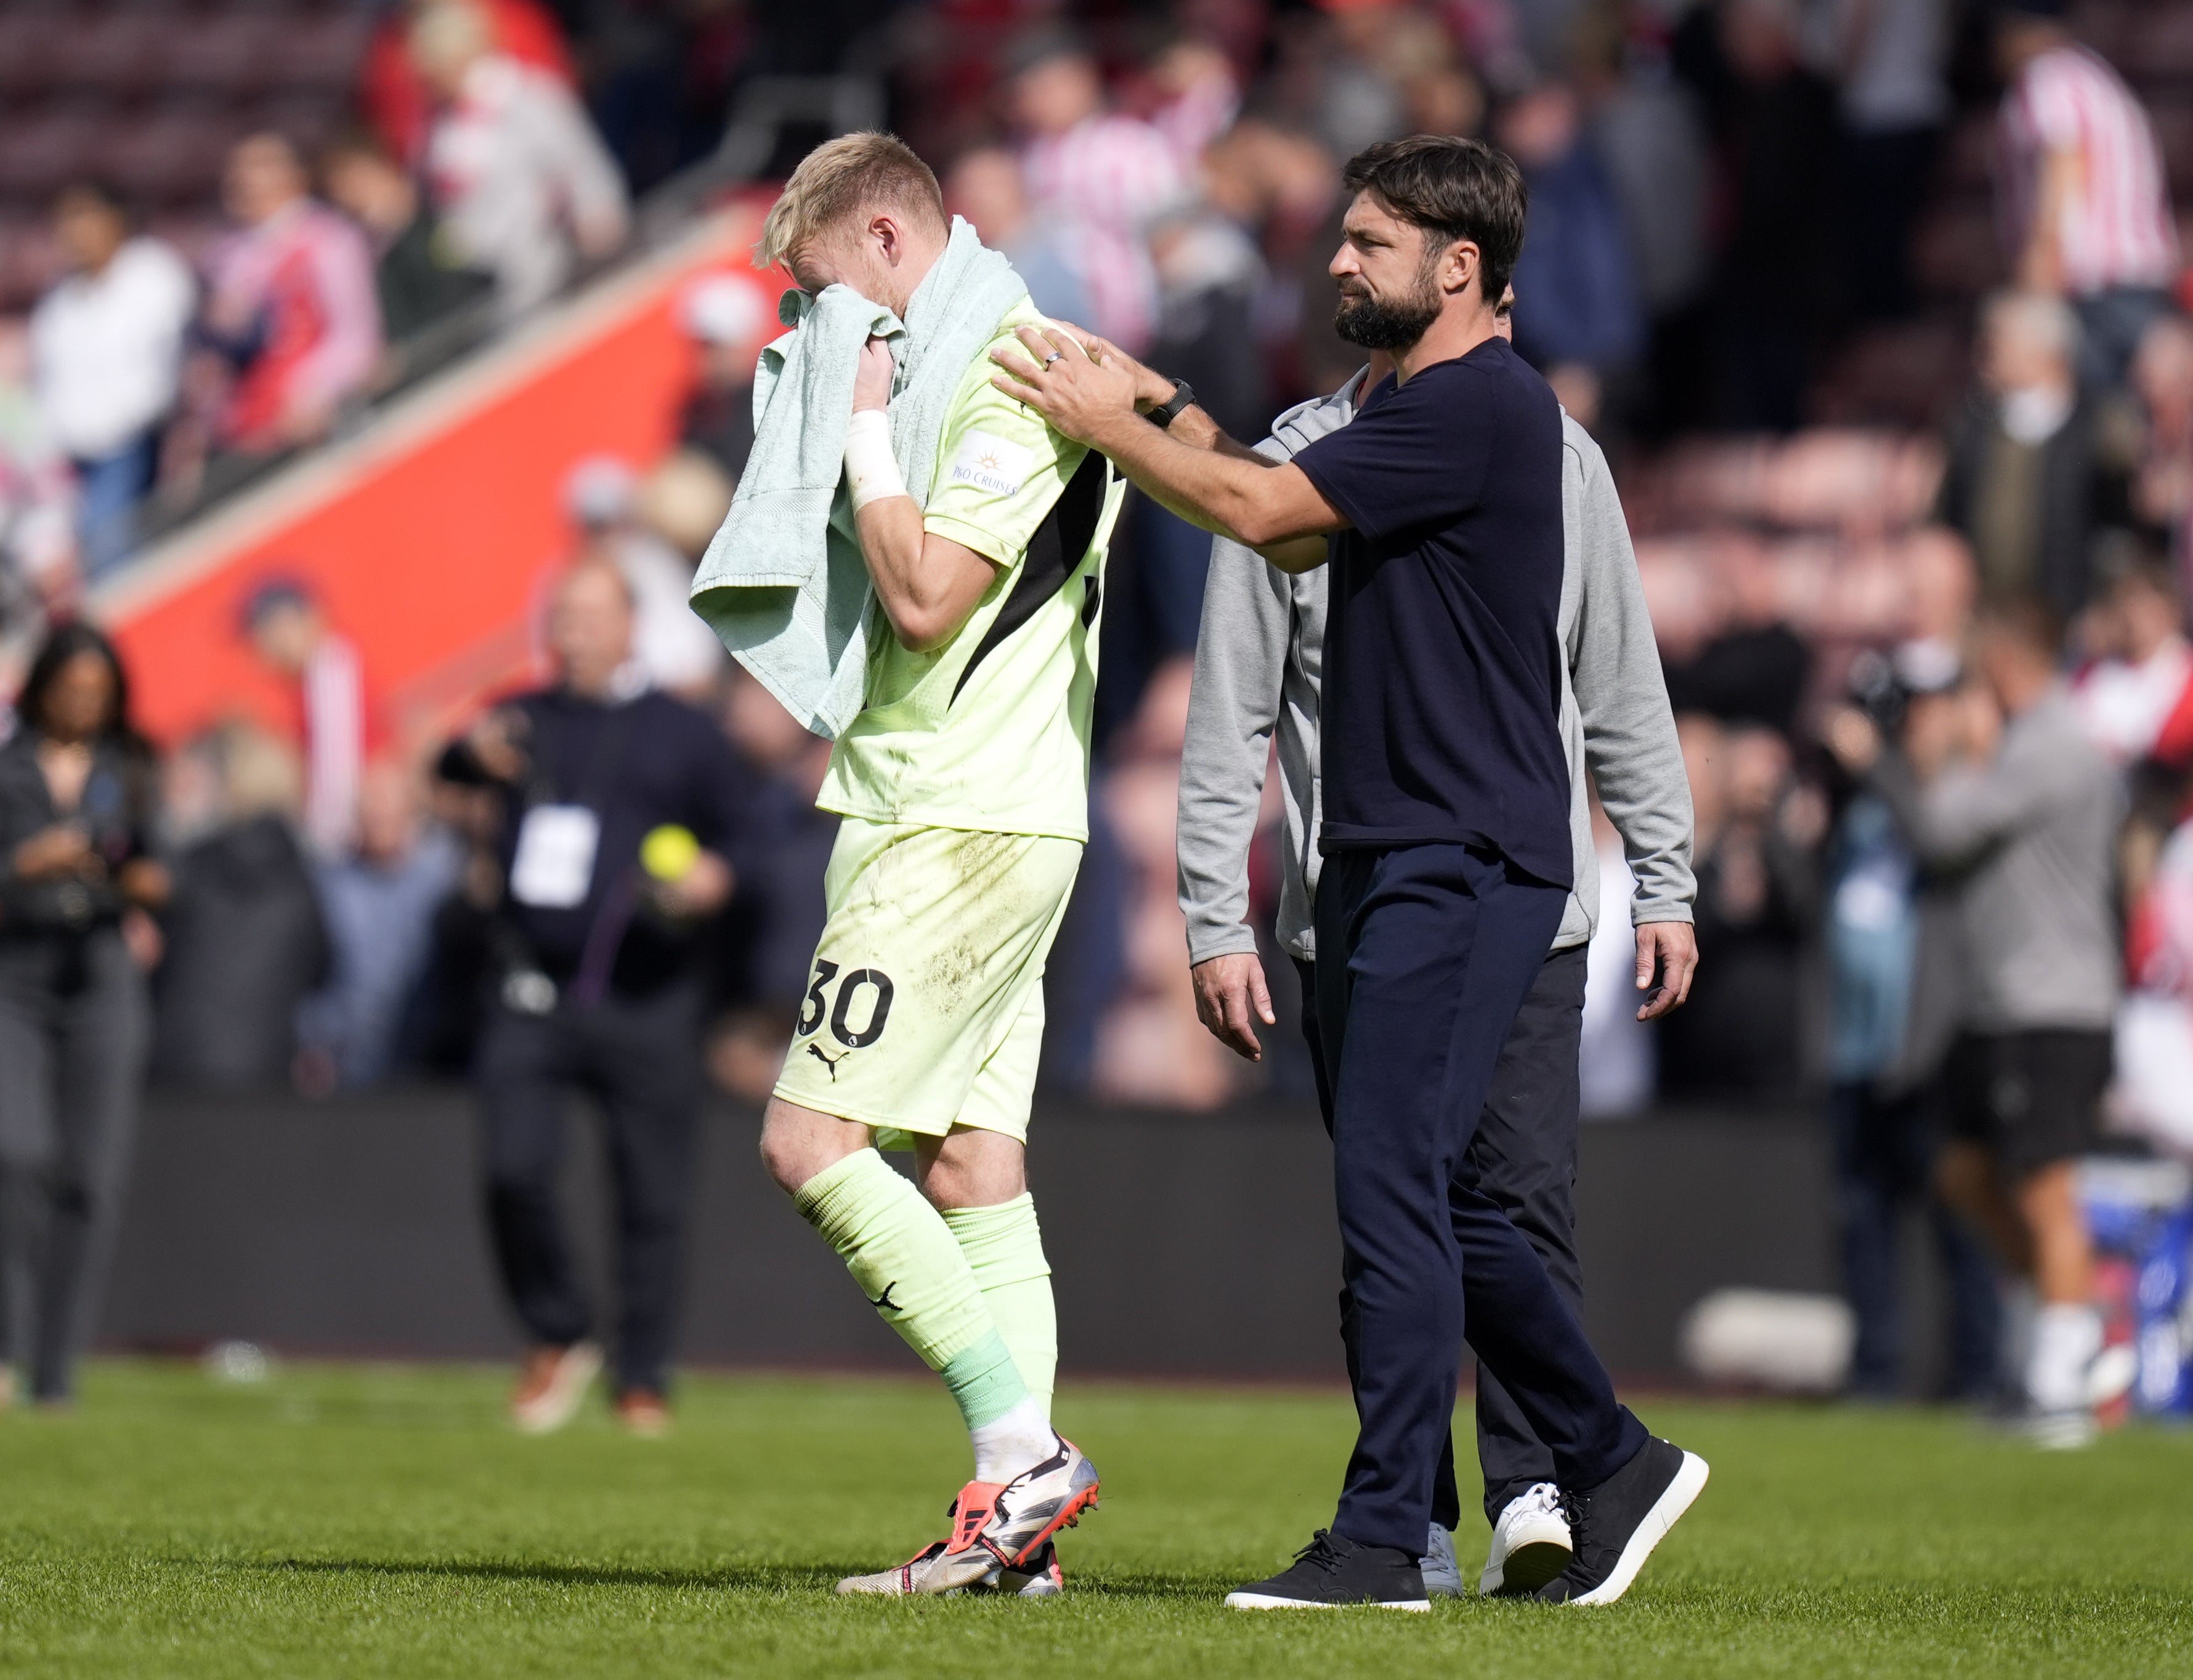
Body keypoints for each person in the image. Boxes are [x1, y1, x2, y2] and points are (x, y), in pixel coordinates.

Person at [999, 133, 1707, 1609]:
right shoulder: (1414, 415)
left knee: (1407, 1190)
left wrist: (1106, 421)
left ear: (1459, 268)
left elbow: (1259, 511)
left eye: (1368, 243)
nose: (1335, 261)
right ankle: (1602, 1455)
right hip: (1406, 857)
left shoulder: (1486, 409)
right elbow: (1265, 498)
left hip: (1461, 854)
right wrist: (1172, 407)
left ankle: (1400, 1530)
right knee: (1435, 1198)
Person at [1168, 294, 1698, 1591]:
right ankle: (1446, 1507)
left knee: (1501, 1194)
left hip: (1511, 897)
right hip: (1342, 898)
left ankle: (1536, 1486)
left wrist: (1666, 873)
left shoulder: (1554, 453)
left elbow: (1615, 672)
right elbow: (1234, 704)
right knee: (1395, 1208)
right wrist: (1210, 908)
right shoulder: (1289, 456)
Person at [738, 133, 1124, 1597]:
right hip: (974, 804)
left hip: (960, 815)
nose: (826, 332)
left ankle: (1020, 1452)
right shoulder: (992, 353)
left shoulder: (1013, 374)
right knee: (970, 1164)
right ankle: (1009, 1536)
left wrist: (859, 425)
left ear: (894, 242)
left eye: (833, 297)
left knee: (809, 1141)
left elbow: (919, 595)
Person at [435, 559, 740, 1437]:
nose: (573, 632)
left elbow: (748, 837)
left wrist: (716, 881)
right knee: (512, 1168)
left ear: (628, 628)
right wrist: (468, 756)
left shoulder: (680, 732)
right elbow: (448, 765)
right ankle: (560, 1330)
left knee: (652, 1197)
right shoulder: (522, 720)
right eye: (561, 615)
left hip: (648, 991)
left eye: (591, 616)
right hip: (531, 986)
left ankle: (642, 1376)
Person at [1828, 600, 2125, 1444]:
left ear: (2002, 665)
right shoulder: (2030, 747)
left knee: (2044, 1193)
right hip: (2003, 1009)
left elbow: (1943, 830)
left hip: (2052, 1006)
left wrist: (1909, 761)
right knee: (1964, 1177)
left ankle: (2063, 1388)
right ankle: (2066, 1328)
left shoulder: (2051, 748)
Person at [0, 623, 165, 1408]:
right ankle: (7, 1340)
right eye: (72, 689)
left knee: (93, 1176)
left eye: (98, 694)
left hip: (99, 969)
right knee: (15, 1153)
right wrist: (22, 866)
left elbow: (162, 869)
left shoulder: (130, 767)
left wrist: (140, 882)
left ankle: (56, 1371)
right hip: (16, 971)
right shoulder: (8, 769)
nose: (83, 705)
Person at [1995, 0, 2179, 388]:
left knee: (2090, 422)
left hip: (2088, 284)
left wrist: (2039, 269)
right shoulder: (2093, 76)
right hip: (2136, 282)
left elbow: (2064, 166)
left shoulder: (2049, 78)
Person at [411, 0, 631, 319]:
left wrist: (595, 233)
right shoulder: (441, 129)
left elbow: (583, 171)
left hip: (557, 277)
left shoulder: (527, 95)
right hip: (485, 288)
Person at [1936, 291, 2136, 621]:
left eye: (1998, 343)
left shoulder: (2099, 426)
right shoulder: (1970, 426)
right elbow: (1949, 514)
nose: (1984, 355)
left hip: (2073, 615)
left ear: (2044, 352)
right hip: (1990, 615)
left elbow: (2117, 530)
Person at [28, 182, 195, 578]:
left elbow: (170, 368)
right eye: (64, 222)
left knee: (108, 544)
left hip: (145, 441)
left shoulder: (155, 274)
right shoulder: (57, 305)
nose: (72, 231)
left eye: (81, 216)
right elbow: (49, 392)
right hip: (75, 461)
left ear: (114, 218)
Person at [196, 133, 381, 456]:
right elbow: (215, 359)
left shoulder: (330, 239)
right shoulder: (225, 258)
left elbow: (356, 335)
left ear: (294, 179)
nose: (244, 178)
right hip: (248, 428)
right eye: (239, 171)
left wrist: (308, 393)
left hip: (318, 418)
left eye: (259, 166)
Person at [1006, 30, 1185, 353]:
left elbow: (1170, 236)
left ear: (1082, 80)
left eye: (1047, 88)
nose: (1037, 101)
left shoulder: (1130, 144)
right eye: (1026, 93)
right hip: (1057, 335)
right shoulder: (1026, 158)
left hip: (1133, 331)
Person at [295, 761, 464, 1090]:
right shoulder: (330, 883)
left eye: (391, 812)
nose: (380, 823)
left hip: (427, 1056)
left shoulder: (444, 876)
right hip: (349, 1057)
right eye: (370, 813)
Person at [319, 132, 493, 353]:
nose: (355, 196)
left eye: (358, 182)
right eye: (343, 191)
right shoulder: (376, 258)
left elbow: (466, 289)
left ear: (386, 171)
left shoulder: (439, 216)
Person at [241, 577, 369, 860]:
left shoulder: (329, 668)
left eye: (263, 633)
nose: (259, 649)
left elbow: (340, 778)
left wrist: (316, 848)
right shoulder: (313, 680)